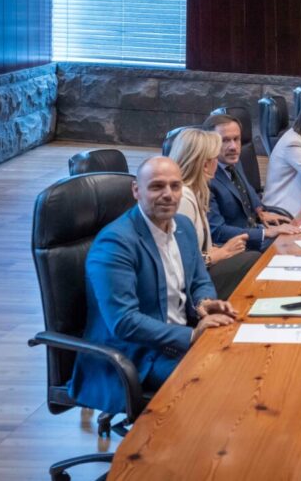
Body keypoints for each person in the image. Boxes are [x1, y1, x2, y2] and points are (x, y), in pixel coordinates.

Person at [70, 157, 239, 414]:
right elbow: (124, 321)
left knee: (245, 362)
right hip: (135, 356)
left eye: (175, 186)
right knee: (220, 384)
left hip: (175, 341)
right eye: (157, 187)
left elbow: (199, 280)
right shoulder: (115, 243)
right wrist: (192, 336)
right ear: (136, 191)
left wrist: (204, 302)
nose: (168, 195)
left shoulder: (182, 226)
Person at [168, 128, 261, 300]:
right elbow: (179, 261)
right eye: (214, 159)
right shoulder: (183, 199)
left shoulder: (195, 191)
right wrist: (220, 253)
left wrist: (222, 249)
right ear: (205, 165)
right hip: (192, 286)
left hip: (201, 272)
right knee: (253, 260)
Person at [203, 114, 301, 252]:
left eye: (236, 139)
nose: (233, 146)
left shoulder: (233, 162)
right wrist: (265, 233)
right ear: (209, 143)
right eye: (225, 140)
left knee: (298, 238)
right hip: (236, 248)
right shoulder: (206, 178)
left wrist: (260, 211)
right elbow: (217, 231)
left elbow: (248, 190)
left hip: (254, 232)